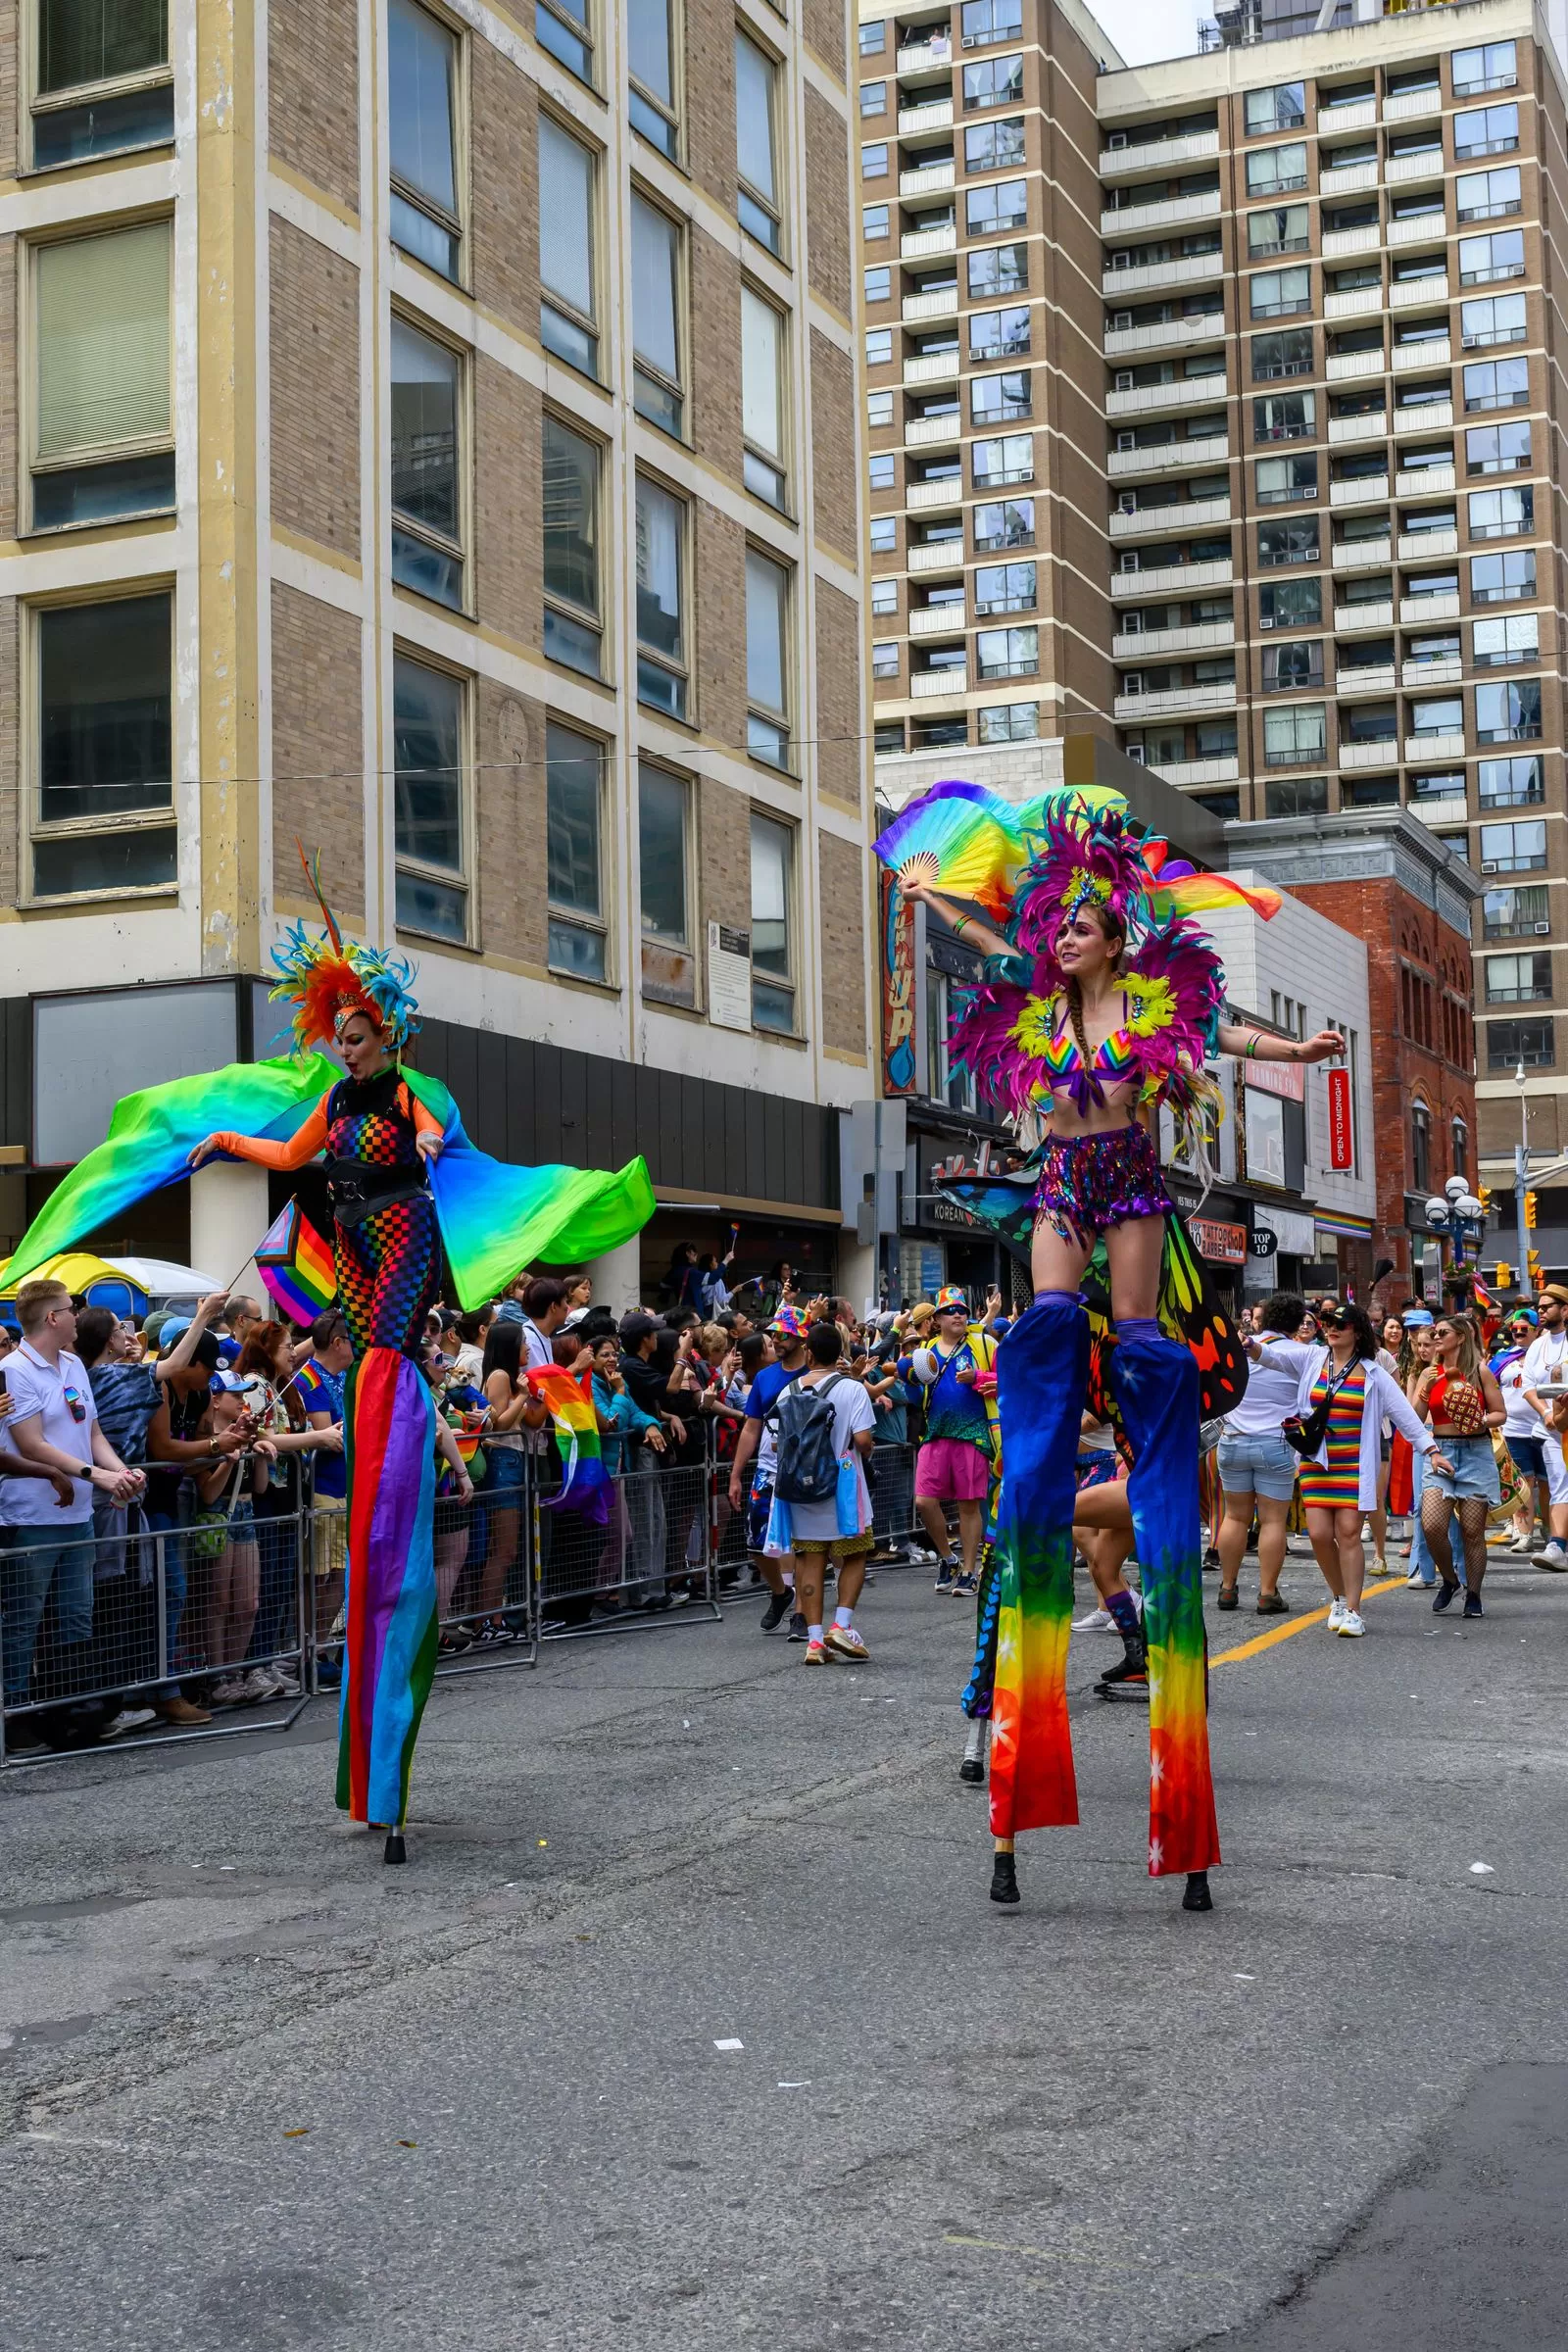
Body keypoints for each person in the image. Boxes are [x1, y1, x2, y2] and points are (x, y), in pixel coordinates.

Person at [889, 785, 1343, 1910]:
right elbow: (987, 940)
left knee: (1140, 1345)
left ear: (1110, 922)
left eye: (1079, 920)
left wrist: (1301, 1044)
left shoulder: (1154, 1001)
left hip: (1129, 1184)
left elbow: (1226, 1031)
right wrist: (929, 892)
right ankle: (1044, 1444)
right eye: (1057, 923)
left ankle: (1149, 1461)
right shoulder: (1038, 1004)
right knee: (1046, 1323)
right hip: (1059, 1182)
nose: (1062, 934)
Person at [1254, 1301, 1448, 1638]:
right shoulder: (1312, 1358)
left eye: (1338, 1324)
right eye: (1326, 1322)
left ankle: (1355, 1610)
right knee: (1317, 1535)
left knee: (1347, 1534)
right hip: (1317, 1461)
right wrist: (1250, 1346)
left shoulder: (1374, 1372)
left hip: (1355, 1464)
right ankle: (1339, 1598)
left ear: (1356, 1332)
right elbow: (1273, 1357)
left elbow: (1405, 1415)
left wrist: (1430, 1450)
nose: (1330, 1328)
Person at [0, 1279, 146, 1721]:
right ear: (52, 1318)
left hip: (78, 1514)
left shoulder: (73, 1364)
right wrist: (99, 1475)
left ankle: (70, 1711)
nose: (78, 1316)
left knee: (77, 1616)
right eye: (71, 1308)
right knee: (23, 1621)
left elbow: (93, 1433)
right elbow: (32, 1445)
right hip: (33, 1516)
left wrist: (119, 1470)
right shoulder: (16, 1370)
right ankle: (16, 1715)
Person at [764, 1321, 877, 1663]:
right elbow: (863, 1442)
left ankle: (814, 1641)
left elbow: (774, 1441)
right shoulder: (853, 1389)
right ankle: (841, 1625)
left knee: (809, 1560)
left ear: (808, 1353)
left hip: (799, 1490)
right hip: (842, 1487)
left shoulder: (789, 1391)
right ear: (840, 1354)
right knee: (854, 1555)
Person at [1214, 1291, 1306, 1616]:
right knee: (1272, 1521)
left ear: (1262, 1319)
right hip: (1275, 1443)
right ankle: (1267, 1593)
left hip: (1233, 1439)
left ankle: (1227, 1588)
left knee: (1235, 1516)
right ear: (1298, 1323)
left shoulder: (1238, 1349)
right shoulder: (1304, 1353)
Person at [1412, 1312, 1505, 1618]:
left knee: (1472, 1532)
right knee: (1432, 1525)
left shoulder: (1479, 1371)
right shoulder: (1429, 1372)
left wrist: (1481, 1419)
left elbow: (1499, 1413)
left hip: (1476, 1452)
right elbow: (1413, 1417)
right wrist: (1424, 1388)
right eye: (1435, 1333)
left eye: (1443, 1333)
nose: (1436, 1338)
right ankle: (1450, 1581)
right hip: (1440, 1452)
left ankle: (1474, 1594)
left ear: (1461, 1338)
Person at [906, 1288, 994, 1595]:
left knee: (969, 1507)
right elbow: (915, 1396)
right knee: (924, 1501)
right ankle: (948, 1557)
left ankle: (970, 1570)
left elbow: (1011, 1378)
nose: (958, 1314)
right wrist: (910, 1382)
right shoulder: (925, 1350)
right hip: (935, 1433)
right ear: (937, 1318)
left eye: (963, 1310)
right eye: (950, 1310)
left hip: (973, 1433)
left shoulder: (983, 1343)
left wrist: (979, 1377)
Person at [728, 1309, 809, 1635]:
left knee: (804, 1544)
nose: (776, 1339)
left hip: (805, 1470)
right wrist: (736, 1474)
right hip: (767, 1469)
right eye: (774, 1334)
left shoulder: (816, 1373)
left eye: (784, 1335)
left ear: (801, 1339)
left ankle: (802, 1614)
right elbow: (751, 1428)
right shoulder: (764, 1377)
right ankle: (781, 1593)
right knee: (755, 1543)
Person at [476, 1318, 547, 1641]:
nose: (528, 1347)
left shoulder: (513, 1379)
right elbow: (500, 1423)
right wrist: (522, 1397)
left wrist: (540, 1395)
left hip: (515, 1461)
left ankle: (495, 1618)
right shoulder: (500, 1375)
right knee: (502, 1550)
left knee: (510, 1549)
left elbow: (532, 1418)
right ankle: (487, 1621)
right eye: (522, 1342)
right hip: (503, 1461)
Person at [1521, 1287, 1568, 1570]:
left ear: (1564, 1310)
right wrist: (1547, 1413)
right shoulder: (1538, 1345)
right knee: (1560, 1482)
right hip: (1550, 1427)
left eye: (1547, 1306)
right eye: (1539, 1306)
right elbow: (1528, 1386)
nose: (1540, 1310)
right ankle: (1557, 1546)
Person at [1493, 1312, 1546, 1554]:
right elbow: (1489, 1389)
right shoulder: (1503, 1358)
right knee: (1522, 1484)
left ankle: (1551, 1530)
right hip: (1513, 1431)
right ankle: (1525, 1535)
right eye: (1515, 1330)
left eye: (1524, 1329)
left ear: (1536, 1330)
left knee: (1548, 1484)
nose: (1519, 1333)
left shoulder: (1546, 1355)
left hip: (1547, 1430)